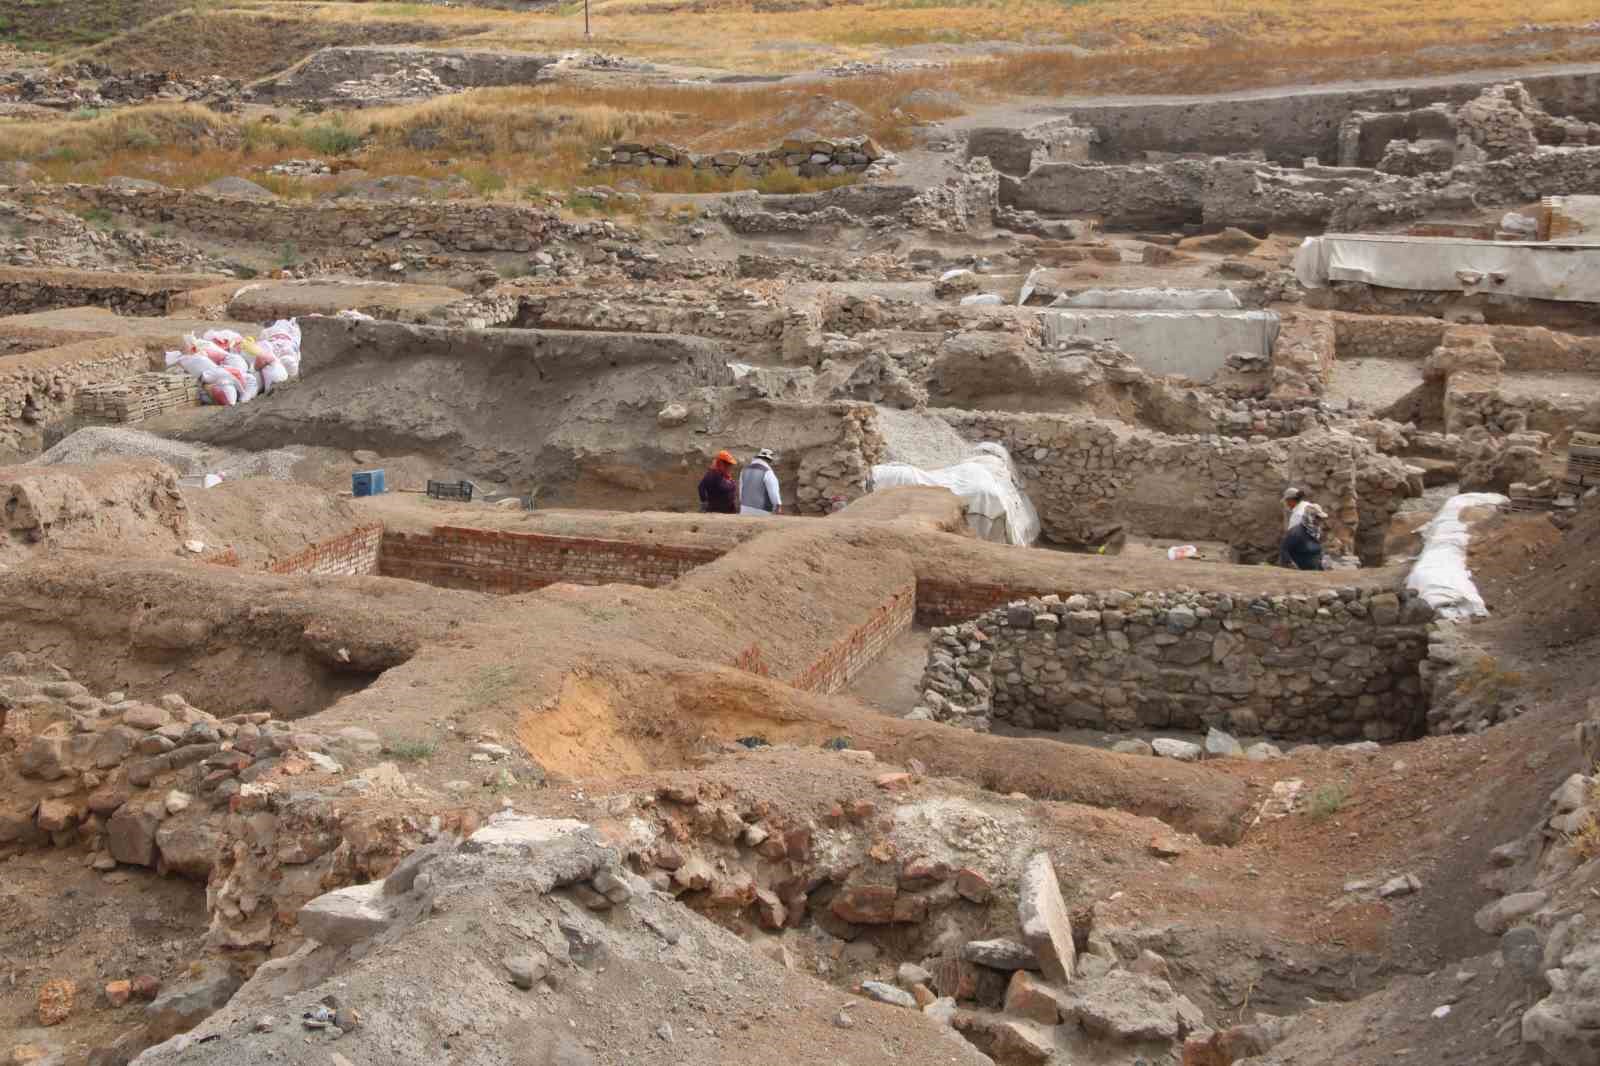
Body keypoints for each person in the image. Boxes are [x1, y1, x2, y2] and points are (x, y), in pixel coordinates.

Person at [1278, 486, 1328, 570]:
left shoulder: (1308, 523)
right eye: (1318, 518)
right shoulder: (1298, 530)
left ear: (1290, 500)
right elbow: (1287, 546)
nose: (1319, 521)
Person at [739, 448, 783, 516]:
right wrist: (778, 505)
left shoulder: (744, 470)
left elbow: (741, 491)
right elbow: (773, 492)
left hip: (744, 510)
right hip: (762, 512)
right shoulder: (768, 472)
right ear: (768, 460)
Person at [698, 450, 739, 514]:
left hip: (722, 510)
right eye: (728, 464)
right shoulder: (714, 475)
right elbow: (724, 487)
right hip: (719, 511)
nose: (729, 467)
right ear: (721, 463)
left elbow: (701, 487)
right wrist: (704, 502)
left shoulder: (713, 473)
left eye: (729, 465)